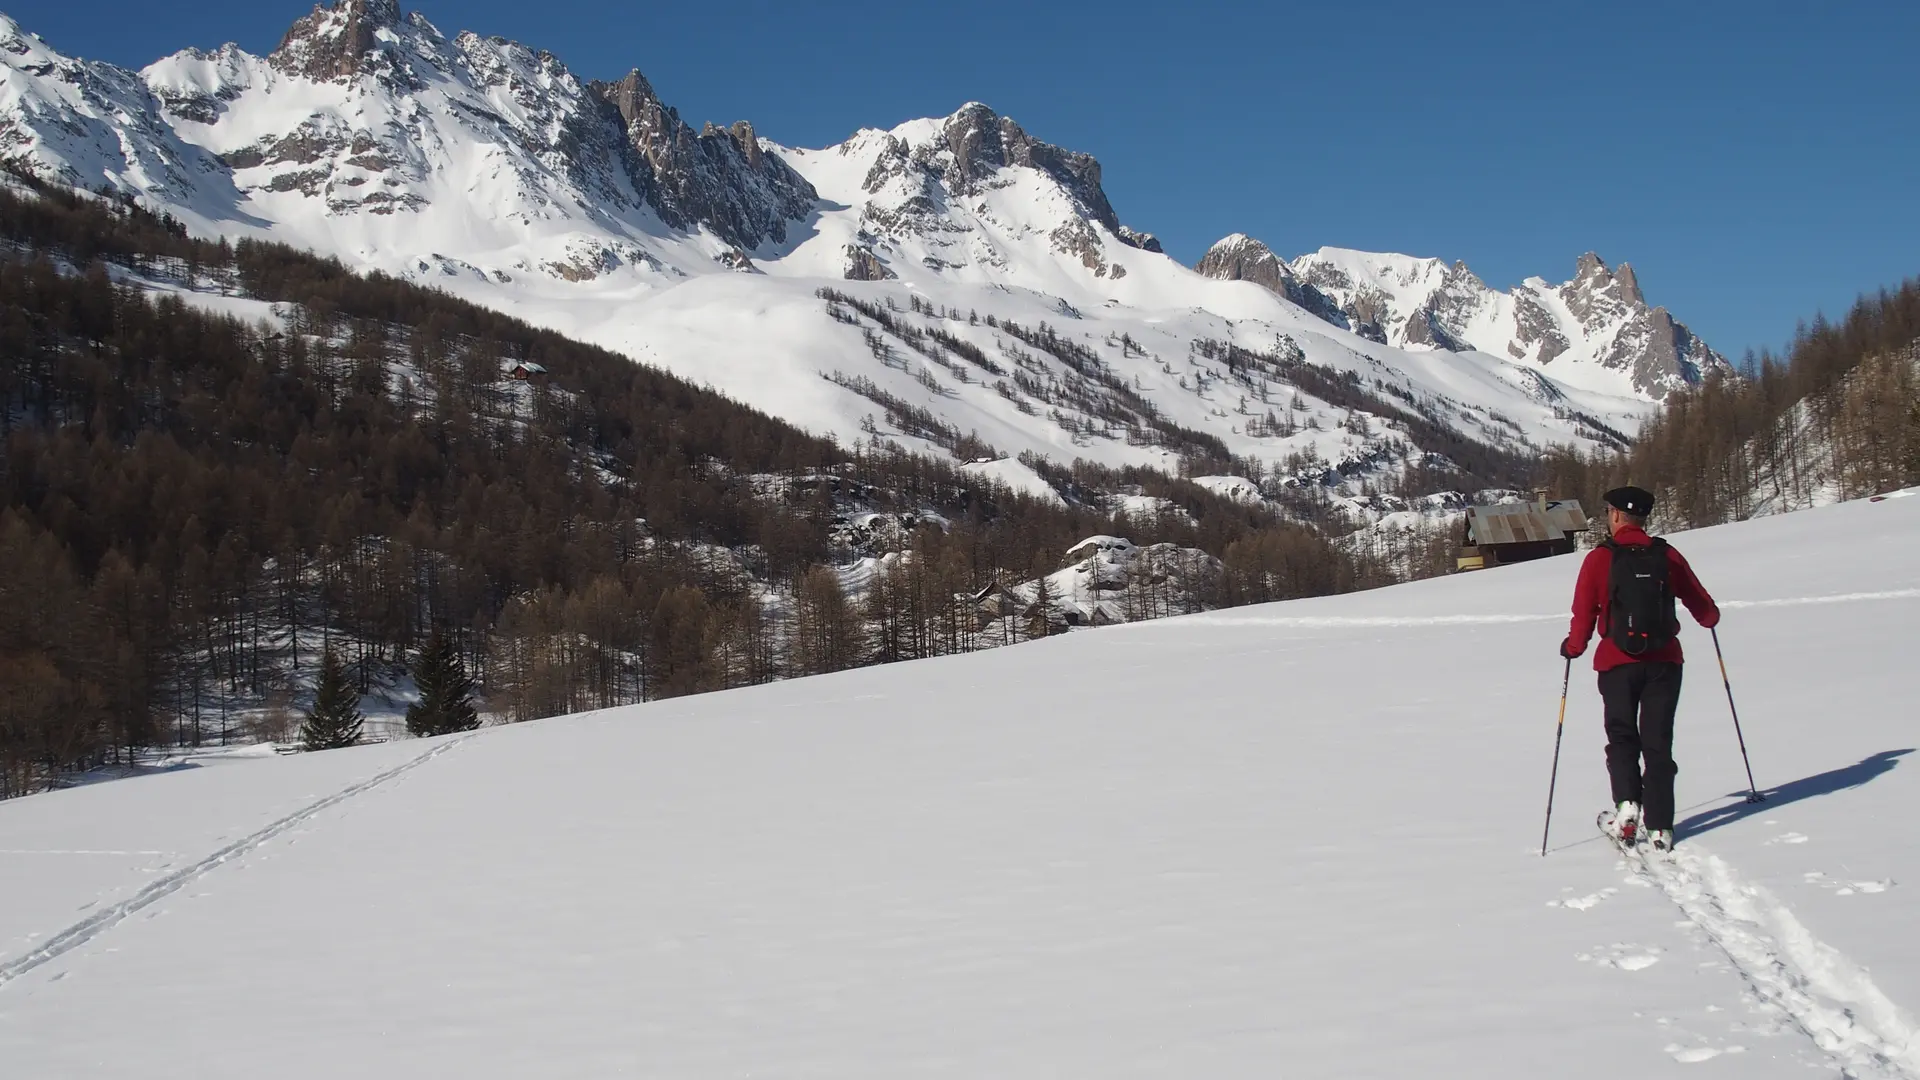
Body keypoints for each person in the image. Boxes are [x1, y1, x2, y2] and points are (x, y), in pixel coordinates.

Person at [1560, 486, 1719, 851]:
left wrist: (1574, 647)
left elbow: (1584, 611)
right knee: (1658, 742)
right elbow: (1703, 605)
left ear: (1615, 515)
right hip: (1665, 662)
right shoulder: (1666, 555)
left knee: (1622, 737)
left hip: (1617, 663)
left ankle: (1628, 806)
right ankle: (1661, 826)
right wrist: (1708, 619)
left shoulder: (1601, 558)